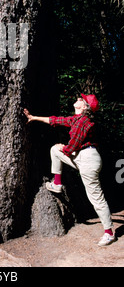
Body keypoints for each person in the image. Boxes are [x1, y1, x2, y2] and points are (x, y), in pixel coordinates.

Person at [24, 94, 116, 247]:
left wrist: (65, 149)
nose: (78, 99)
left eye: (81, 100)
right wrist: (34, 117)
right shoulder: (75, 119)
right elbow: (56, 120)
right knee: (55, 149)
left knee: (96, 198)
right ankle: (57, 184)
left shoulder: (84, 121)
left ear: (85, 107)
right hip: (82, 157)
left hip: (88, 159)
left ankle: (109, 233)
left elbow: (74, 144)